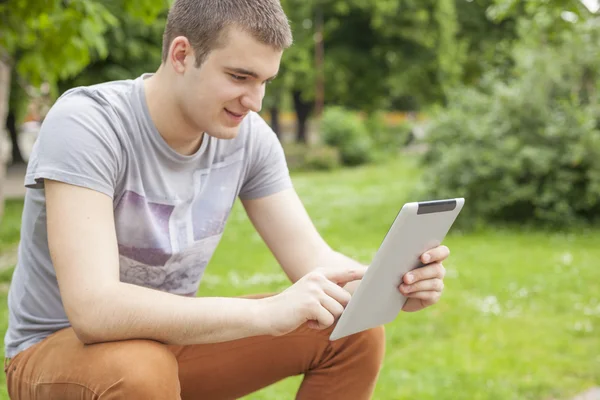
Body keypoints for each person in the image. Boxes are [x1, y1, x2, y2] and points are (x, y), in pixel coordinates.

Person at [3, 0, 451, 399]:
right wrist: (263, 315)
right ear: (182, 55)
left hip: (170, 349)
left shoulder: (247, 138)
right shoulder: (88, 124)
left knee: (352, 331)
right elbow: (94, 311)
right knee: (139, 369)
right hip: (58, 356)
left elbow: (315, 262)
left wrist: (389, 285)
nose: (254, 101)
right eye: (240, 76)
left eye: (265, 81)